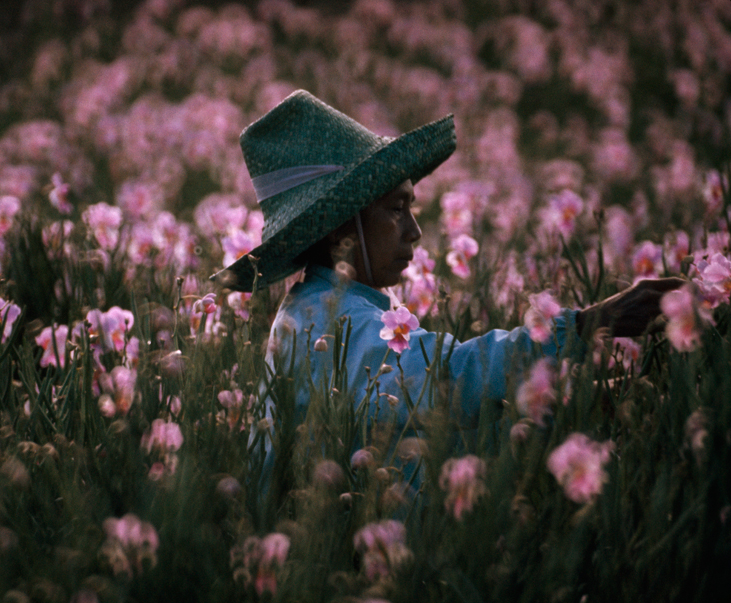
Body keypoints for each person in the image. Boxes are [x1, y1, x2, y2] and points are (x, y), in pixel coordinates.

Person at [211, 90, 683, 499]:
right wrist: (586, 325)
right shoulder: (333, 322)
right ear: (341, 231)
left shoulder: (329, 308)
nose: (414, 231)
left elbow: (435, 428)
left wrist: (563, 405)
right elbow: (449, 381)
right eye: (396, 209)